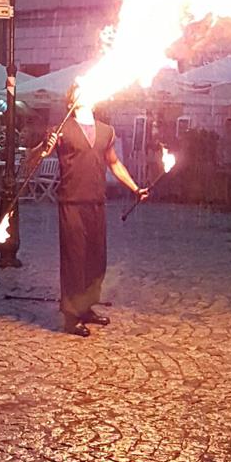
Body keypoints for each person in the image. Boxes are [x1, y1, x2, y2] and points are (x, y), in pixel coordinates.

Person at [45, 86, 148, 337]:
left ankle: (86, 307)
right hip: (71, 201)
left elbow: (114, 163)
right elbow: (35, 158)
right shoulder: (62, 130)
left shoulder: (106, 131)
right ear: (72, 98)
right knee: (75, 259)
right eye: (80, 88)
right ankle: (71, 316)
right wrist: (44, 147)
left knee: (95, 258)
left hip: (96, 202)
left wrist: (135, 188)